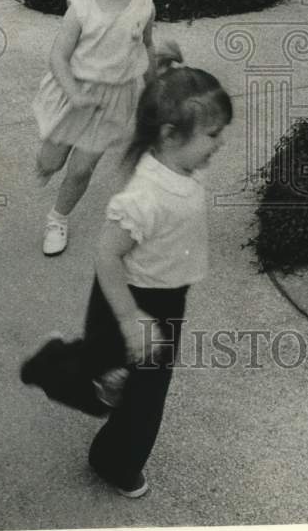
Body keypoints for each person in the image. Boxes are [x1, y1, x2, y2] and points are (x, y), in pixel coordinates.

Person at [20, 64, 232, 497]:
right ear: (170, 135)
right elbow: (107, 256)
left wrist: (161, 75)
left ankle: (113, 460)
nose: (220, 142)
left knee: (144, 391)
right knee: (108, 378)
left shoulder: (183, 166)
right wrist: (131, 318)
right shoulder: (142, 197)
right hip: (127, 299)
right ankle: (50, 365)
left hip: (168, 296)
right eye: (212, 134)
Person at [32, 0, 158, 256]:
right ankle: (46, 163)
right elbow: (58, 57)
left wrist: (155, 87)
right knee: (50, 162)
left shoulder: (144, 6)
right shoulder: (80, 8)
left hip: (112, 101)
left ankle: (58, 218)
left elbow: (146, 46)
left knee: (81, 169)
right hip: (72, 93)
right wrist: (74, 93)